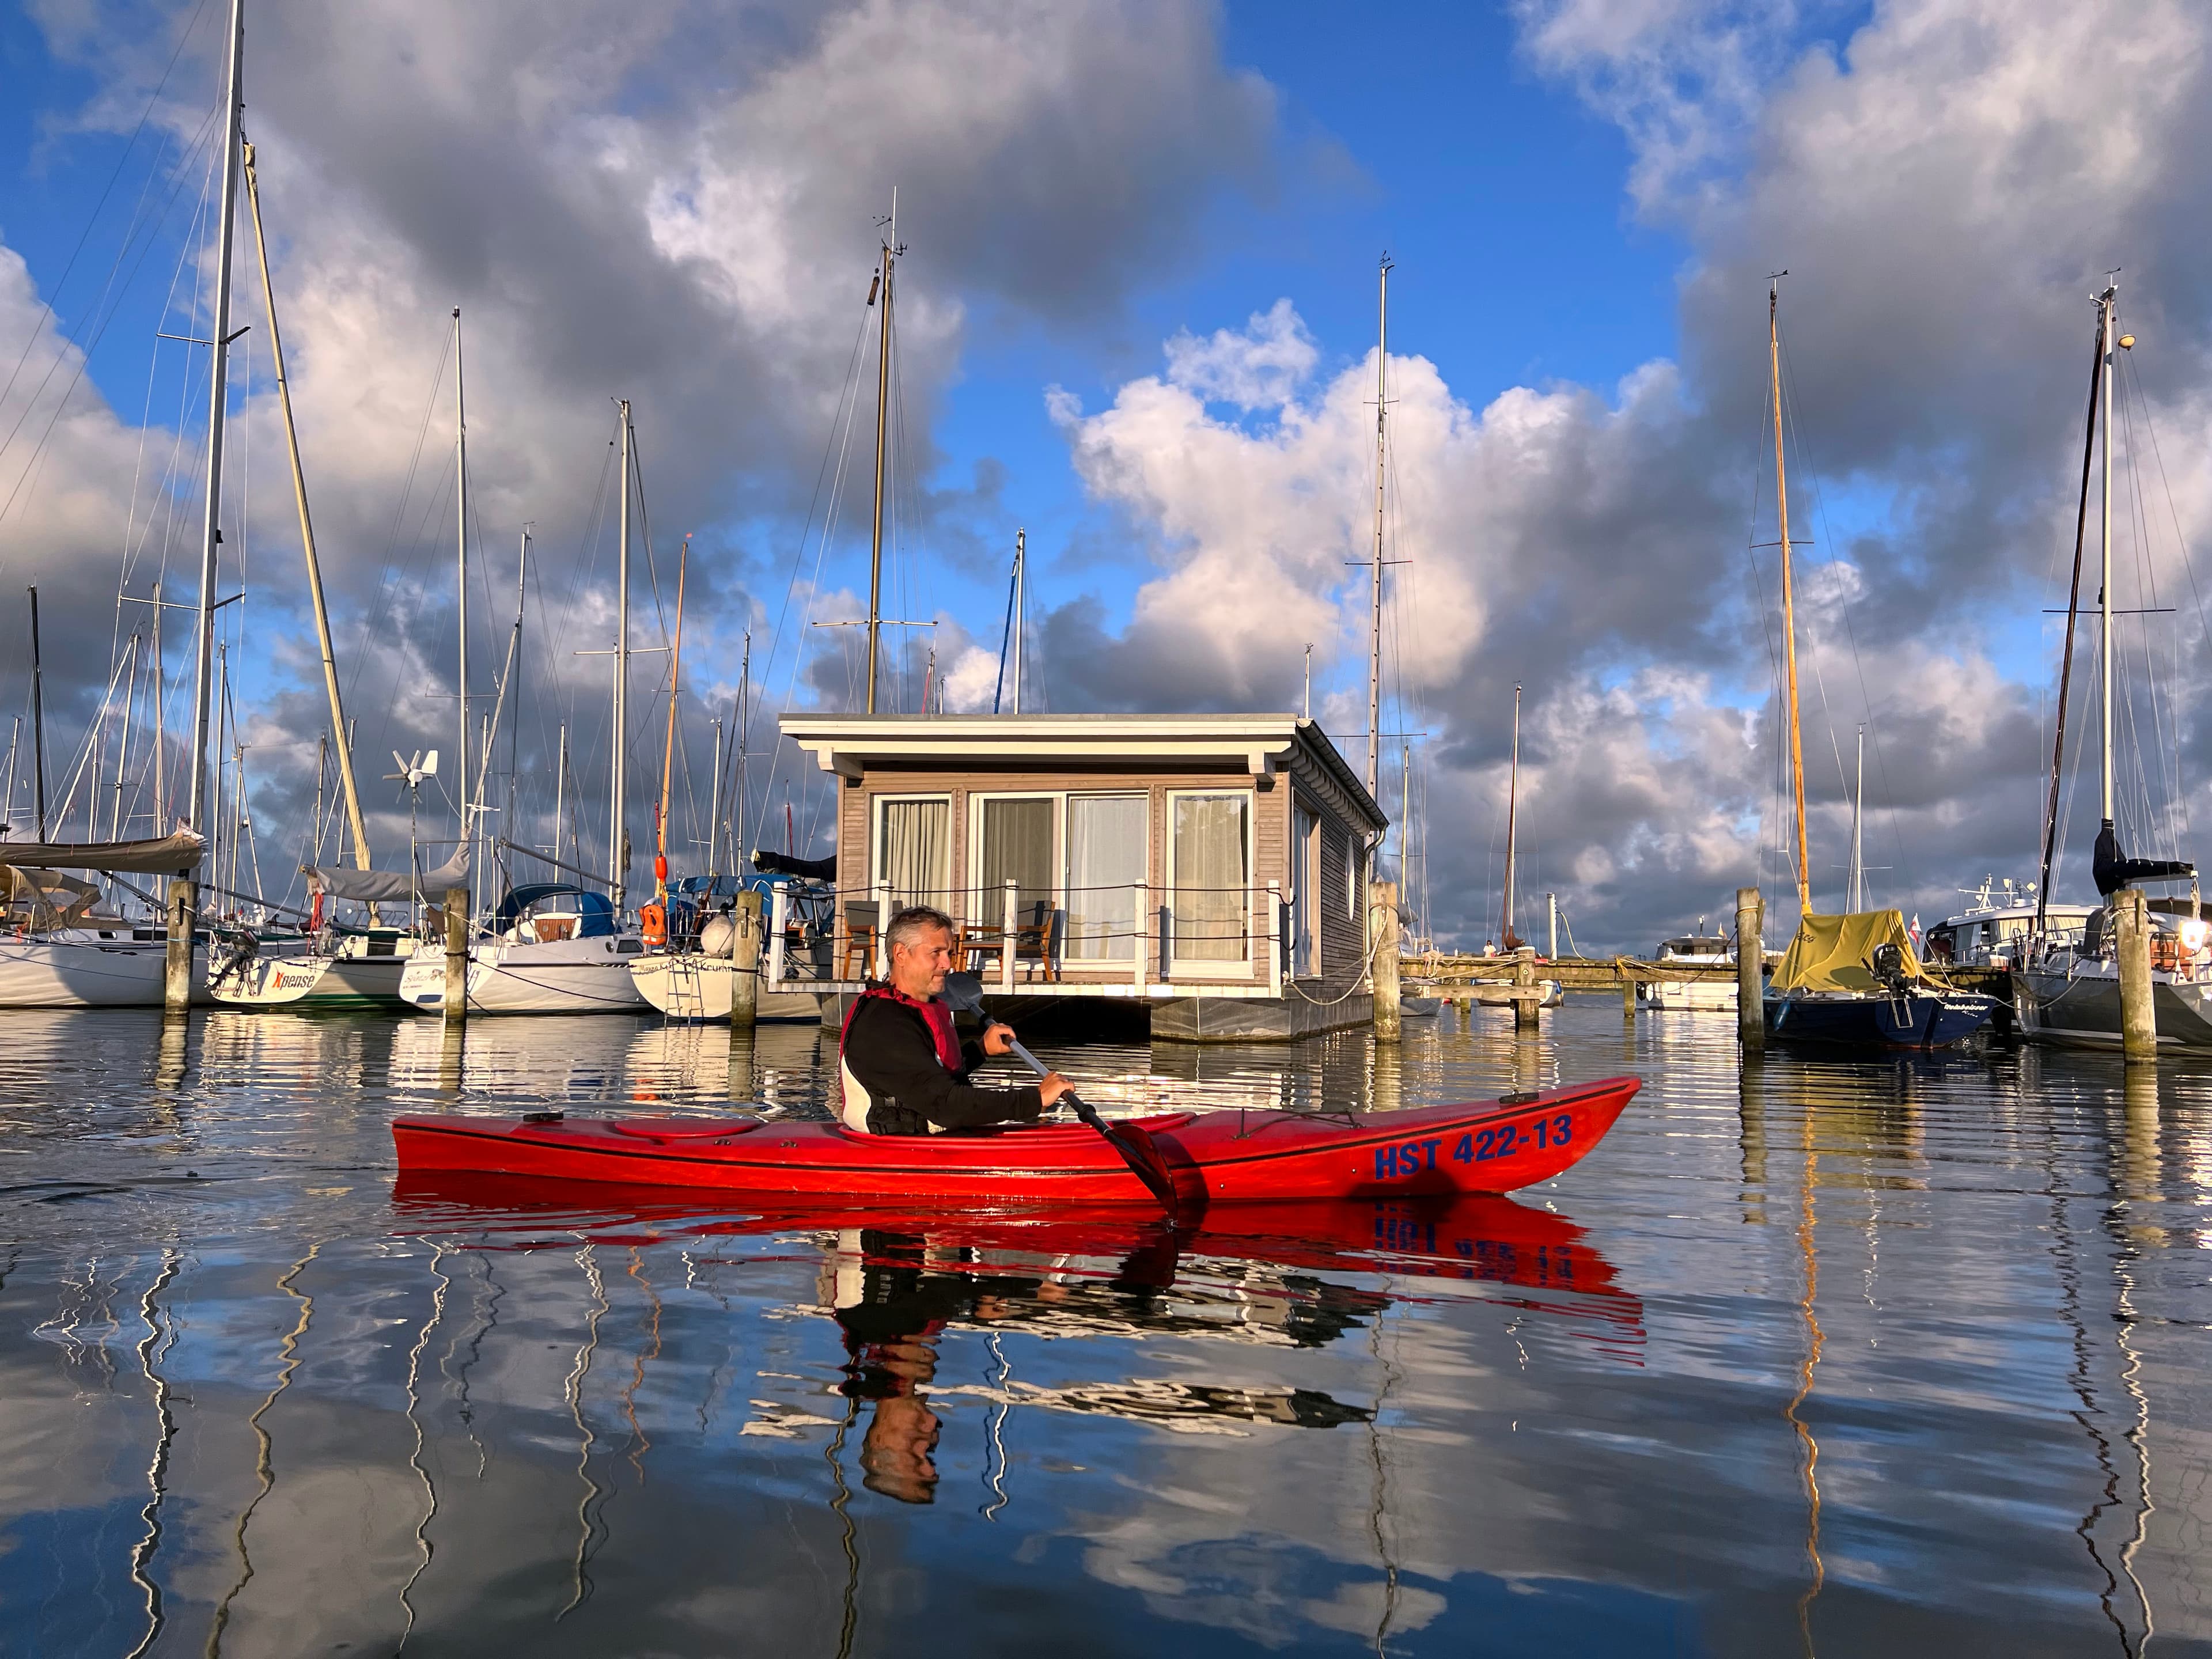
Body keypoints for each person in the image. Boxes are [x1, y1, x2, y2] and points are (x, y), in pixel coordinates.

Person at [838, 904, 1072, 1134]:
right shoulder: (884, 1023)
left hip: (927, 1135)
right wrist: (1035, 1099)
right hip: (896, 1149)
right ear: (901, 954)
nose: (948, 964)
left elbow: (929, 1075)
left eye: (948, 953)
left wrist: (980, 1050)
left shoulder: (918, 1008)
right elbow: (947, 1105)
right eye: (936, 953)